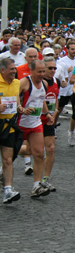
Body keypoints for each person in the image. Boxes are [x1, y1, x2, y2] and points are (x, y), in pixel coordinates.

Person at [18, 60, 53, 197]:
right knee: (13, 152)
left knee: (39, 153)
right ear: (31, 71)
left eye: (43, 71)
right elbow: (14, 98)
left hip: (35, 123)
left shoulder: (44, 83)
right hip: (20, 123)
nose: (42, 74)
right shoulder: (23, 82)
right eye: (39, 71)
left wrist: (47, 114)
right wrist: (21, 108)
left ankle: (36, 186)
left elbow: (42, 99)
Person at [0, 58, 22, 203]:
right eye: (11, 69)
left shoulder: (17, 83)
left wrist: (20, 108)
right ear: (2, 70)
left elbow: (16, 100)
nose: (14, 71)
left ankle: (8, 190)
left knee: (8, 159)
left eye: (15, 68)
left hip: (9, 126)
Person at [40, 56, 60, 192]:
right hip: (36, 119)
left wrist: (55, 112)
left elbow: (56, 98)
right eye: (50, 68)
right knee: (31, 150)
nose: (53, 70)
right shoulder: (39, 82)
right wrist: (47, 113)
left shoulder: (56, 81)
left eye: (54, 68)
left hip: (49, 120)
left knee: (51, 149)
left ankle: (45, 179)